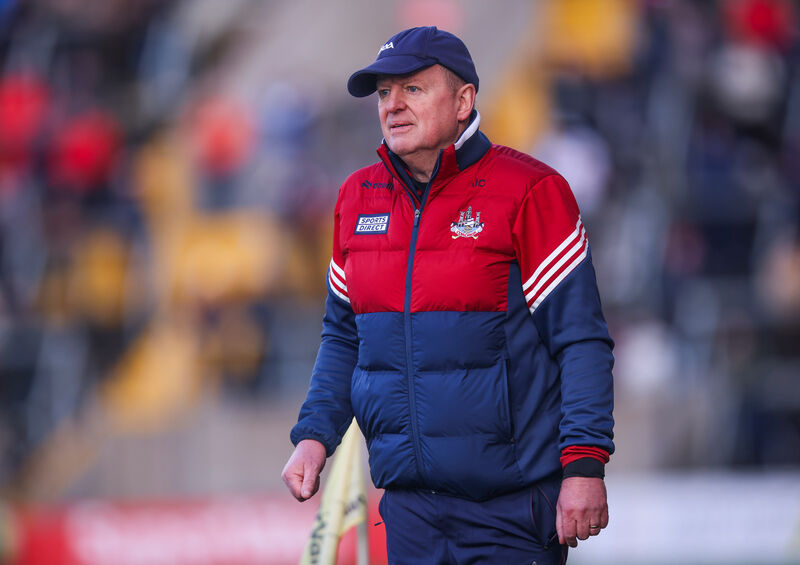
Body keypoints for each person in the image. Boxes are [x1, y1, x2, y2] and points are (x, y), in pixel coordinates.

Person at [282, 26, 615, 564]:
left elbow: (582, 342)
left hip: (512, 512)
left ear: (464, 101)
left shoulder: (531, 191)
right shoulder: (354, 198)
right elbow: (344, 336)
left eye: (412, 89)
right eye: (384, 93)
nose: (393, 105)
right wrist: (314, 435)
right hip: (410, 514)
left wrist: (584, 466)